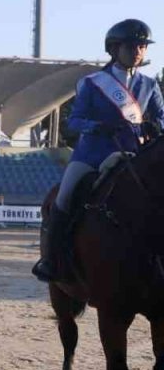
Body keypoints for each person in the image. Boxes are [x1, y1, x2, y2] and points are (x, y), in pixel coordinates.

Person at [33, 19, 164, 283]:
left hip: (134, 157)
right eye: (132, 46)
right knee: (64, 198)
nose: (138, 51)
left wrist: (154, 126)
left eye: (142, 46)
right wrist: (99, 126)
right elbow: (75, 121)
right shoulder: (92, 83)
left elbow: (161, 120)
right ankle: (52, 260)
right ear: (114, 49)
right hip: (92, 157)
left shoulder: (150, 86)